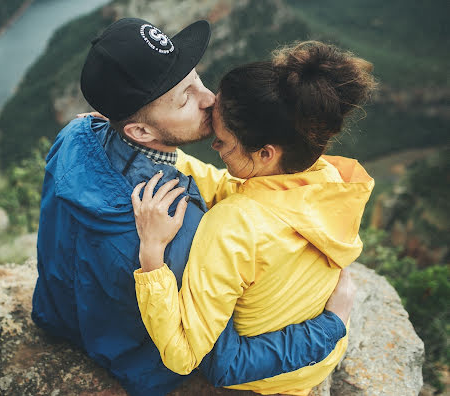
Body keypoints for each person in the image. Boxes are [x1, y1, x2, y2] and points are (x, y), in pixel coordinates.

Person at [32, 18, 353, 396]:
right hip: (140, 365)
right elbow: (217, 358)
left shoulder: (74, 134)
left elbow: (189, 172)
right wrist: (332, 323)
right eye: (185, 98)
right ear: (142, 132)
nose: (209, 99)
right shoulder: (180, 227)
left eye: (198, 79)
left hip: (59, 316)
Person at [132, 40, 376, 395]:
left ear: (265, 154)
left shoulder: (231, 227)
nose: (214, 149)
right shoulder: (330, 178)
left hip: (267, 375)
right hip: (318, 358)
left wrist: (152, 259)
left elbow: (182, 355)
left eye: (223, 143)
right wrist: (155, 147)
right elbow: (234, 189)